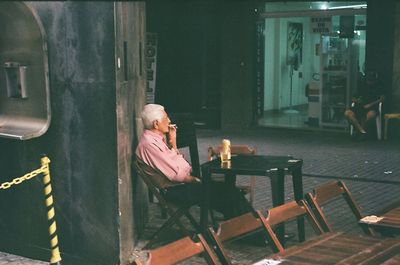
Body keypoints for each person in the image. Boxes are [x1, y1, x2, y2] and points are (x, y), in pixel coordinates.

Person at [135, 104, 253, 220]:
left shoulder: (157, 140)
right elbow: (176, 174)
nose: (169, 120)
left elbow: (174, 163)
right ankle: (251, 230)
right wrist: (197, 180)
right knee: (228, 194)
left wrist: (173, 142)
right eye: (166, 118)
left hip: (181, 185)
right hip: (175, 190)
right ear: (156, 124)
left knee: (229, 192)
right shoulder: (150, 145)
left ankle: (250, 228)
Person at [344, 71, 384, 139]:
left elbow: (382, 99)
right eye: (368, 80)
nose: (369, 82)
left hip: (372, 107)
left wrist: (370, 104)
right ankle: (362, 131)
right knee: (347, 113)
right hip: (359, 107)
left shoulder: (378, 87)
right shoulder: (362, 86)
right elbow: (353, 98)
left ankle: (360, 132)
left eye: (371, 80)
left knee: (370, 115)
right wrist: (357, 100)